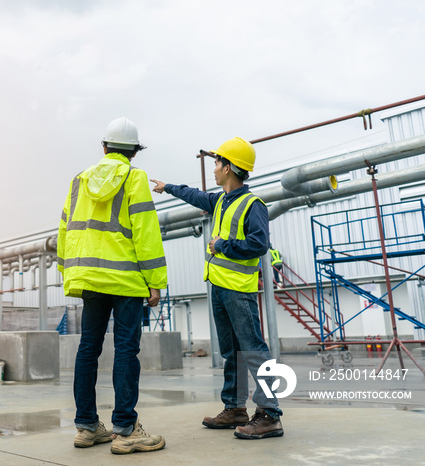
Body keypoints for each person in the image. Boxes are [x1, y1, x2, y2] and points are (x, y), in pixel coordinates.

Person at [151, 137, 284, 440]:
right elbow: (195, 196)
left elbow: (259, 244)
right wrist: (167, 187)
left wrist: (223, 245)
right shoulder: (221, 201)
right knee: (232, 352)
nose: (213, 168)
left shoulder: (253, 205)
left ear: (229, 167)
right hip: (220, 288)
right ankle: (235, 409)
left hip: (239, 289)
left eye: (217, 163)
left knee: (252, 349)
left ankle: (270, 415)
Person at [57, 117, 168, 454]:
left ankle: (87, 426)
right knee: (125, 349)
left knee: (88, 349)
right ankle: (125, 429)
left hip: (89, 278)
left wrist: (68, 272)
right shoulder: (135, 178)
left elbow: (65, 230)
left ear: (103, 147)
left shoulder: (79, 180)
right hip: (125, 280)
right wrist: (155, 281)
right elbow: (146, 233)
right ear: (134, 152)